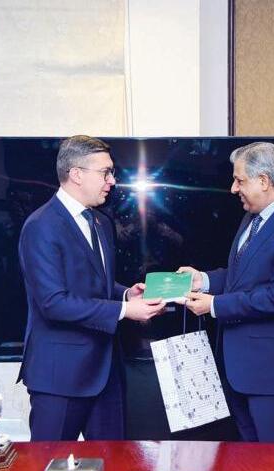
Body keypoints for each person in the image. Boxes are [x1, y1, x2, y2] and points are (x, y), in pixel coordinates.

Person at [18, 135, 165, 441]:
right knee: (50, 464)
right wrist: (125, 310)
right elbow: (53, 303)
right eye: (105, 172)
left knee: (113, 463)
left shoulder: (100, 222)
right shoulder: (41, 226)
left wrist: (126, 293)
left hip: (106, 370)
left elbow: (95, 283)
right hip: (60, 376)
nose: (112, 181)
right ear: (76, 174)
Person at [178, 142, 274, 443]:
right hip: (240, 371)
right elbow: (244, 277)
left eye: (239, 180)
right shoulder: (252, 217)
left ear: (264, 181)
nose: (233, 189)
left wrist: (215, 305)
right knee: (249, 462)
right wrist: (203, 280)